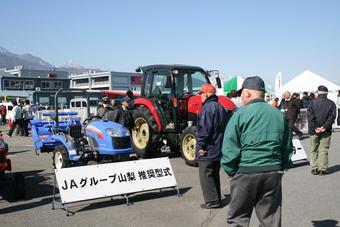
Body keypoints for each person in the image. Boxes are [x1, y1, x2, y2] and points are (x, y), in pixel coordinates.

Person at [221, 76, 293, 227]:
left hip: (246, 171)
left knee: (238, 219)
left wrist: (231, 171)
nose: (241, 98)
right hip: (273, 171)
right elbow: (287, 145)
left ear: (247, 94)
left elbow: (229, 147)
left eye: (241, 94)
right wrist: (283, 165)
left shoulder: (240, 115)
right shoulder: (278, 114)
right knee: (270, 219)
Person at [196, 84, 232, 209]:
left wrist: (201, 145)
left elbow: (205, 129)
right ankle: (216, 198)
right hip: (218, 146)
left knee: (206, 174)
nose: (200, 96)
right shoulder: (220, 106)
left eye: (201, 94)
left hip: (209, 147)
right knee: (214, 173)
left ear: (206, 94)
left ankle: (212, 201)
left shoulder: (207, 107)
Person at [307, 85, 336, 175]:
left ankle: (314, 168)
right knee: (323, 149)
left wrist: (316, 127)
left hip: (314, 130)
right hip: (326, 131)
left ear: (318, 92)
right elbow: (332, 117)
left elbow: (310, 117)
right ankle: (322, 169)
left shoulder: (312, 102)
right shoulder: (331, 103)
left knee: (314, 149)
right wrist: (324, 127)